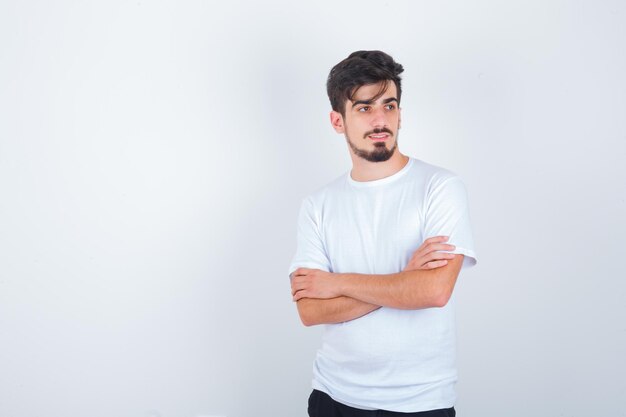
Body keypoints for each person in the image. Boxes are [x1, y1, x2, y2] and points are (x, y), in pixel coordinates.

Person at [288, 50, 477, 417]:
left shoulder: (440, 187)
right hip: (333, 397)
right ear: (337, 121)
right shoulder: (318, 205)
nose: (380, 119)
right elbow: (310, 310)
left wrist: (337, 283)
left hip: (419, 402)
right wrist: (404, 282)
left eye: (389, 106)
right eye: (364, 108)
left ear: (401, 114)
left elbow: (434, 291)